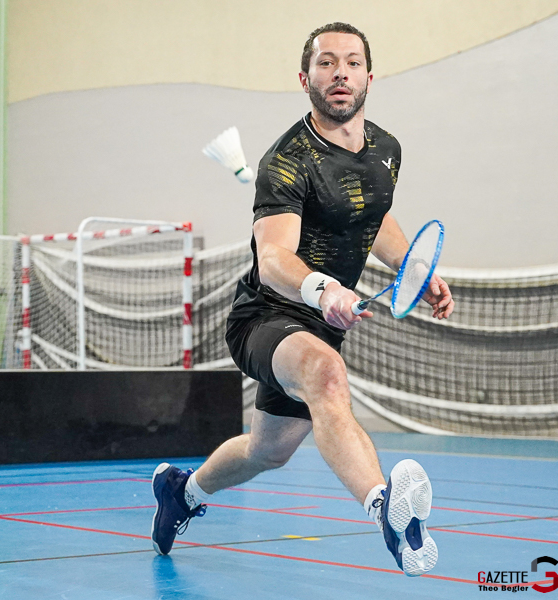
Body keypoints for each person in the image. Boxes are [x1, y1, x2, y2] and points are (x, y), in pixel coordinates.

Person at [150, 22, 454, 576]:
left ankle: (180, 493)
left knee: (268, 451)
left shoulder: (386, 150)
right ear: (305, 77)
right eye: (327, 62)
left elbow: (373, 213)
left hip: (324, 319)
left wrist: (413, 266)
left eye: (353, 62)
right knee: (326, 373)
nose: (341, 72)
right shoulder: (286, 160)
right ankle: (385, 512)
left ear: (369, 75)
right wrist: (324, 286)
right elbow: (273, 258)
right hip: (267, 314)